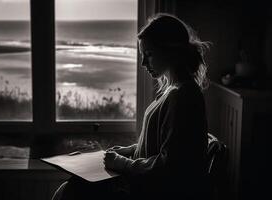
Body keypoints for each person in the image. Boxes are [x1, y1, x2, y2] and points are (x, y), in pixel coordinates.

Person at [55, 13, 211, 200]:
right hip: (140, 185)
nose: (144, 63)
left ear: (170, 51)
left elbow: (169, 165)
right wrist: (129, 150)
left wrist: (121, 163)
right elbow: (160, 145)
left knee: (70, 191)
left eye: (149, 55)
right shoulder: (174, 91)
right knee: (69, 189)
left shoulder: (183, 96)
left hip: (148, 192)